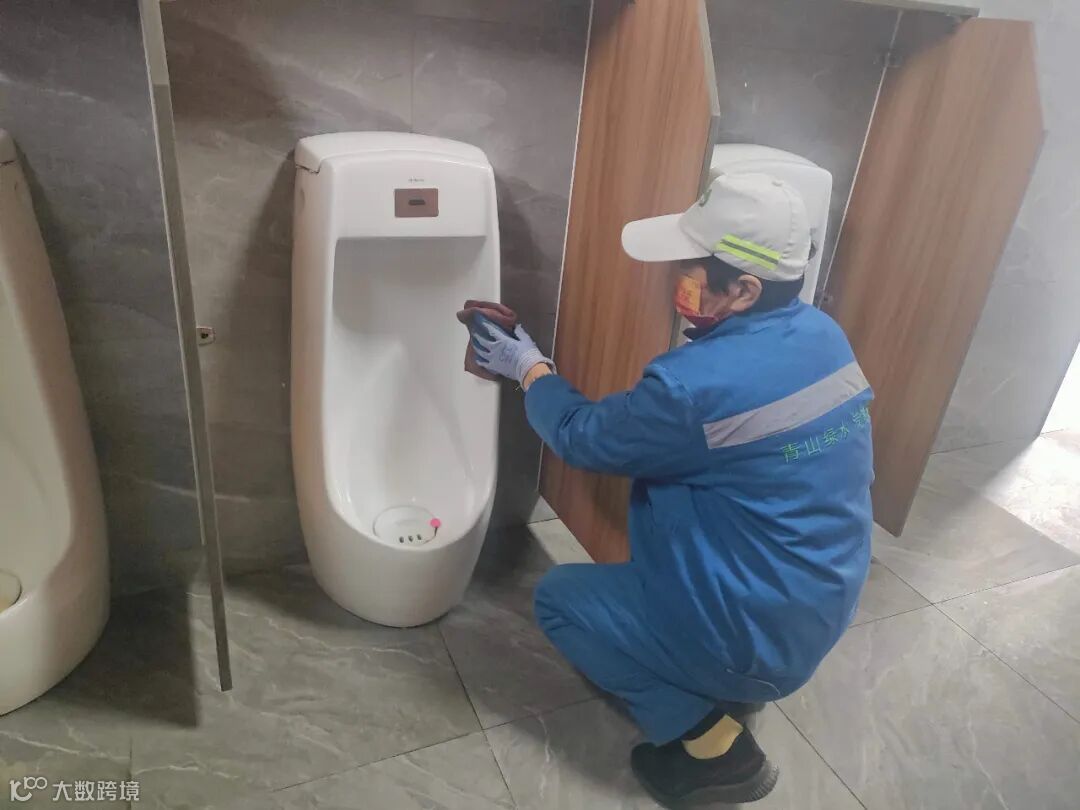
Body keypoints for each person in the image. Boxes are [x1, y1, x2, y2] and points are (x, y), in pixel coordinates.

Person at [470, 172, 874, 807]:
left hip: (754, 642)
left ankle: (712, 744)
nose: (676, 276)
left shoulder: (693, 387)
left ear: (743, 289)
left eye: (692, 266)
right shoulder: (825, 336)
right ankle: (717, 660)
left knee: (560, 600)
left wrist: (529, 368)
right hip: (818, 609)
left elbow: (581, 437)